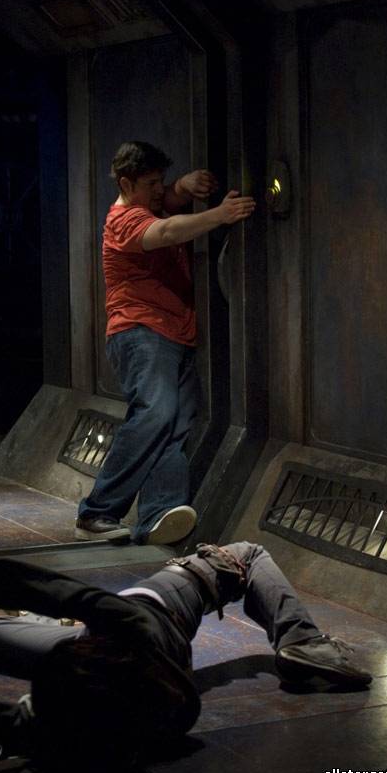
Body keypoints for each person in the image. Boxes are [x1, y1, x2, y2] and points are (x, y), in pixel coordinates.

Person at [0, 530, 371, 773]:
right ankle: (301, 640)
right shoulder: (132, 636)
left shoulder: (65, 724)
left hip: (113, 651)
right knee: (247, 553)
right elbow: (54, 589)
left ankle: (59, 631)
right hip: (162, 606)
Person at [75, 141, 256, 544]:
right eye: (151, 183)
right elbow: (168, 230)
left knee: (174, 423)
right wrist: (219, 214)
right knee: (156, 414)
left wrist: (184, 185)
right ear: (126, 184)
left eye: (161, 181)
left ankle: (158, 514)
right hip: (141, 330)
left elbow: (168, 202)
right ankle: (97, 511)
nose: (160, 190)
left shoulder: (149, 204)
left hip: (173, 333)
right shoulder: (123, 220)